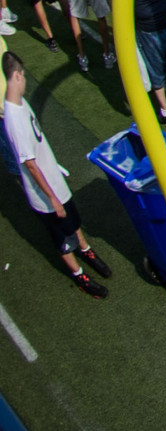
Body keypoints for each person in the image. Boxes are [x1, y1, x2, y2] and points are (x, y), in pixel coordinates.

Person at [4, 52, 109, 297]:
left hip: (54, 181)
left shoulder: (20, 102)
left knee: (73, 220)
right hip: (45, 196)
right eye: (24, 77)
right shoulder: (13, 119)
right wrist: (51, 198)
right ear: (18, 75)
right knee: (61, 237)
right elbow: (29, 164)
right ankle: (79, 275)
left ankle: (86, 249)